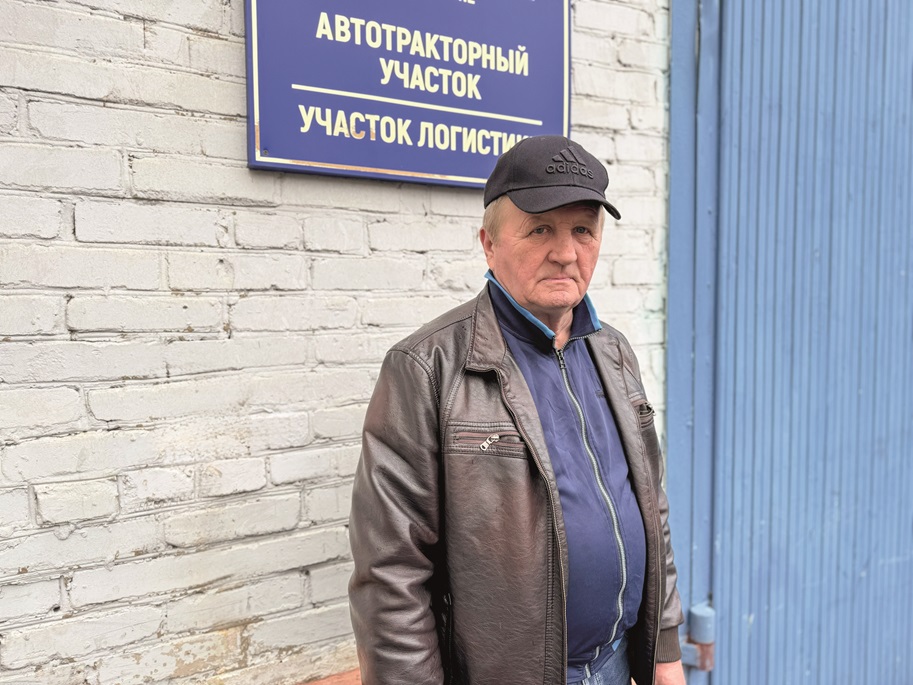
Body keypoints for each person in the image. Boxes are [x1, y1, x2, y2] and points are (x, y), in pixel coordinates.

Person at [348, 135, 685, 685]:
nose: (566, 253)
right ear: (489, 243)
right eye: (540, 229)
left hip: (619, 663)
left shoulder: (614, 352)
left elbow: (652, 511)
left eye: (583, 230)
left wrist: (665, 651)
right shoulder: (428, 368)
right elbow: (391, 573)